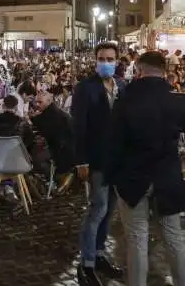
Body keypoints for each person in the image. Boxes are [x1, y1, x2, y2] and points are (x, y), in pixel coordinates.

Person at [105, 51, 185, 286]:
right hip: (168, 177)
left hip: (133, 177)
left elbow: (114, 143)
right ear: (164, 71)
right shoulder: (178, 102)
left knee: (136, 239)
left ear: (139, 69)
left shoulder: (126, 102)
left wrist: (112, 177)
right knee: (174, 237)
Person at [72, 41, 125, 286]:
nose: (106, 63)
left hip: (118, 160)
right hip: (96, 158)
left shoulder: (122, 86)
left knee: (109, 210)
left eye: (110, 59)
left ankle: (100, 253)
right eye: (101, 59)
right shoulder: (85, 88)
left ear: (117, 60)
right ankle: (87, 263)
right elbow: (79, 126)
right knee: (97, 209)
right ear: (95, 60)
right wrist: (81, 160)